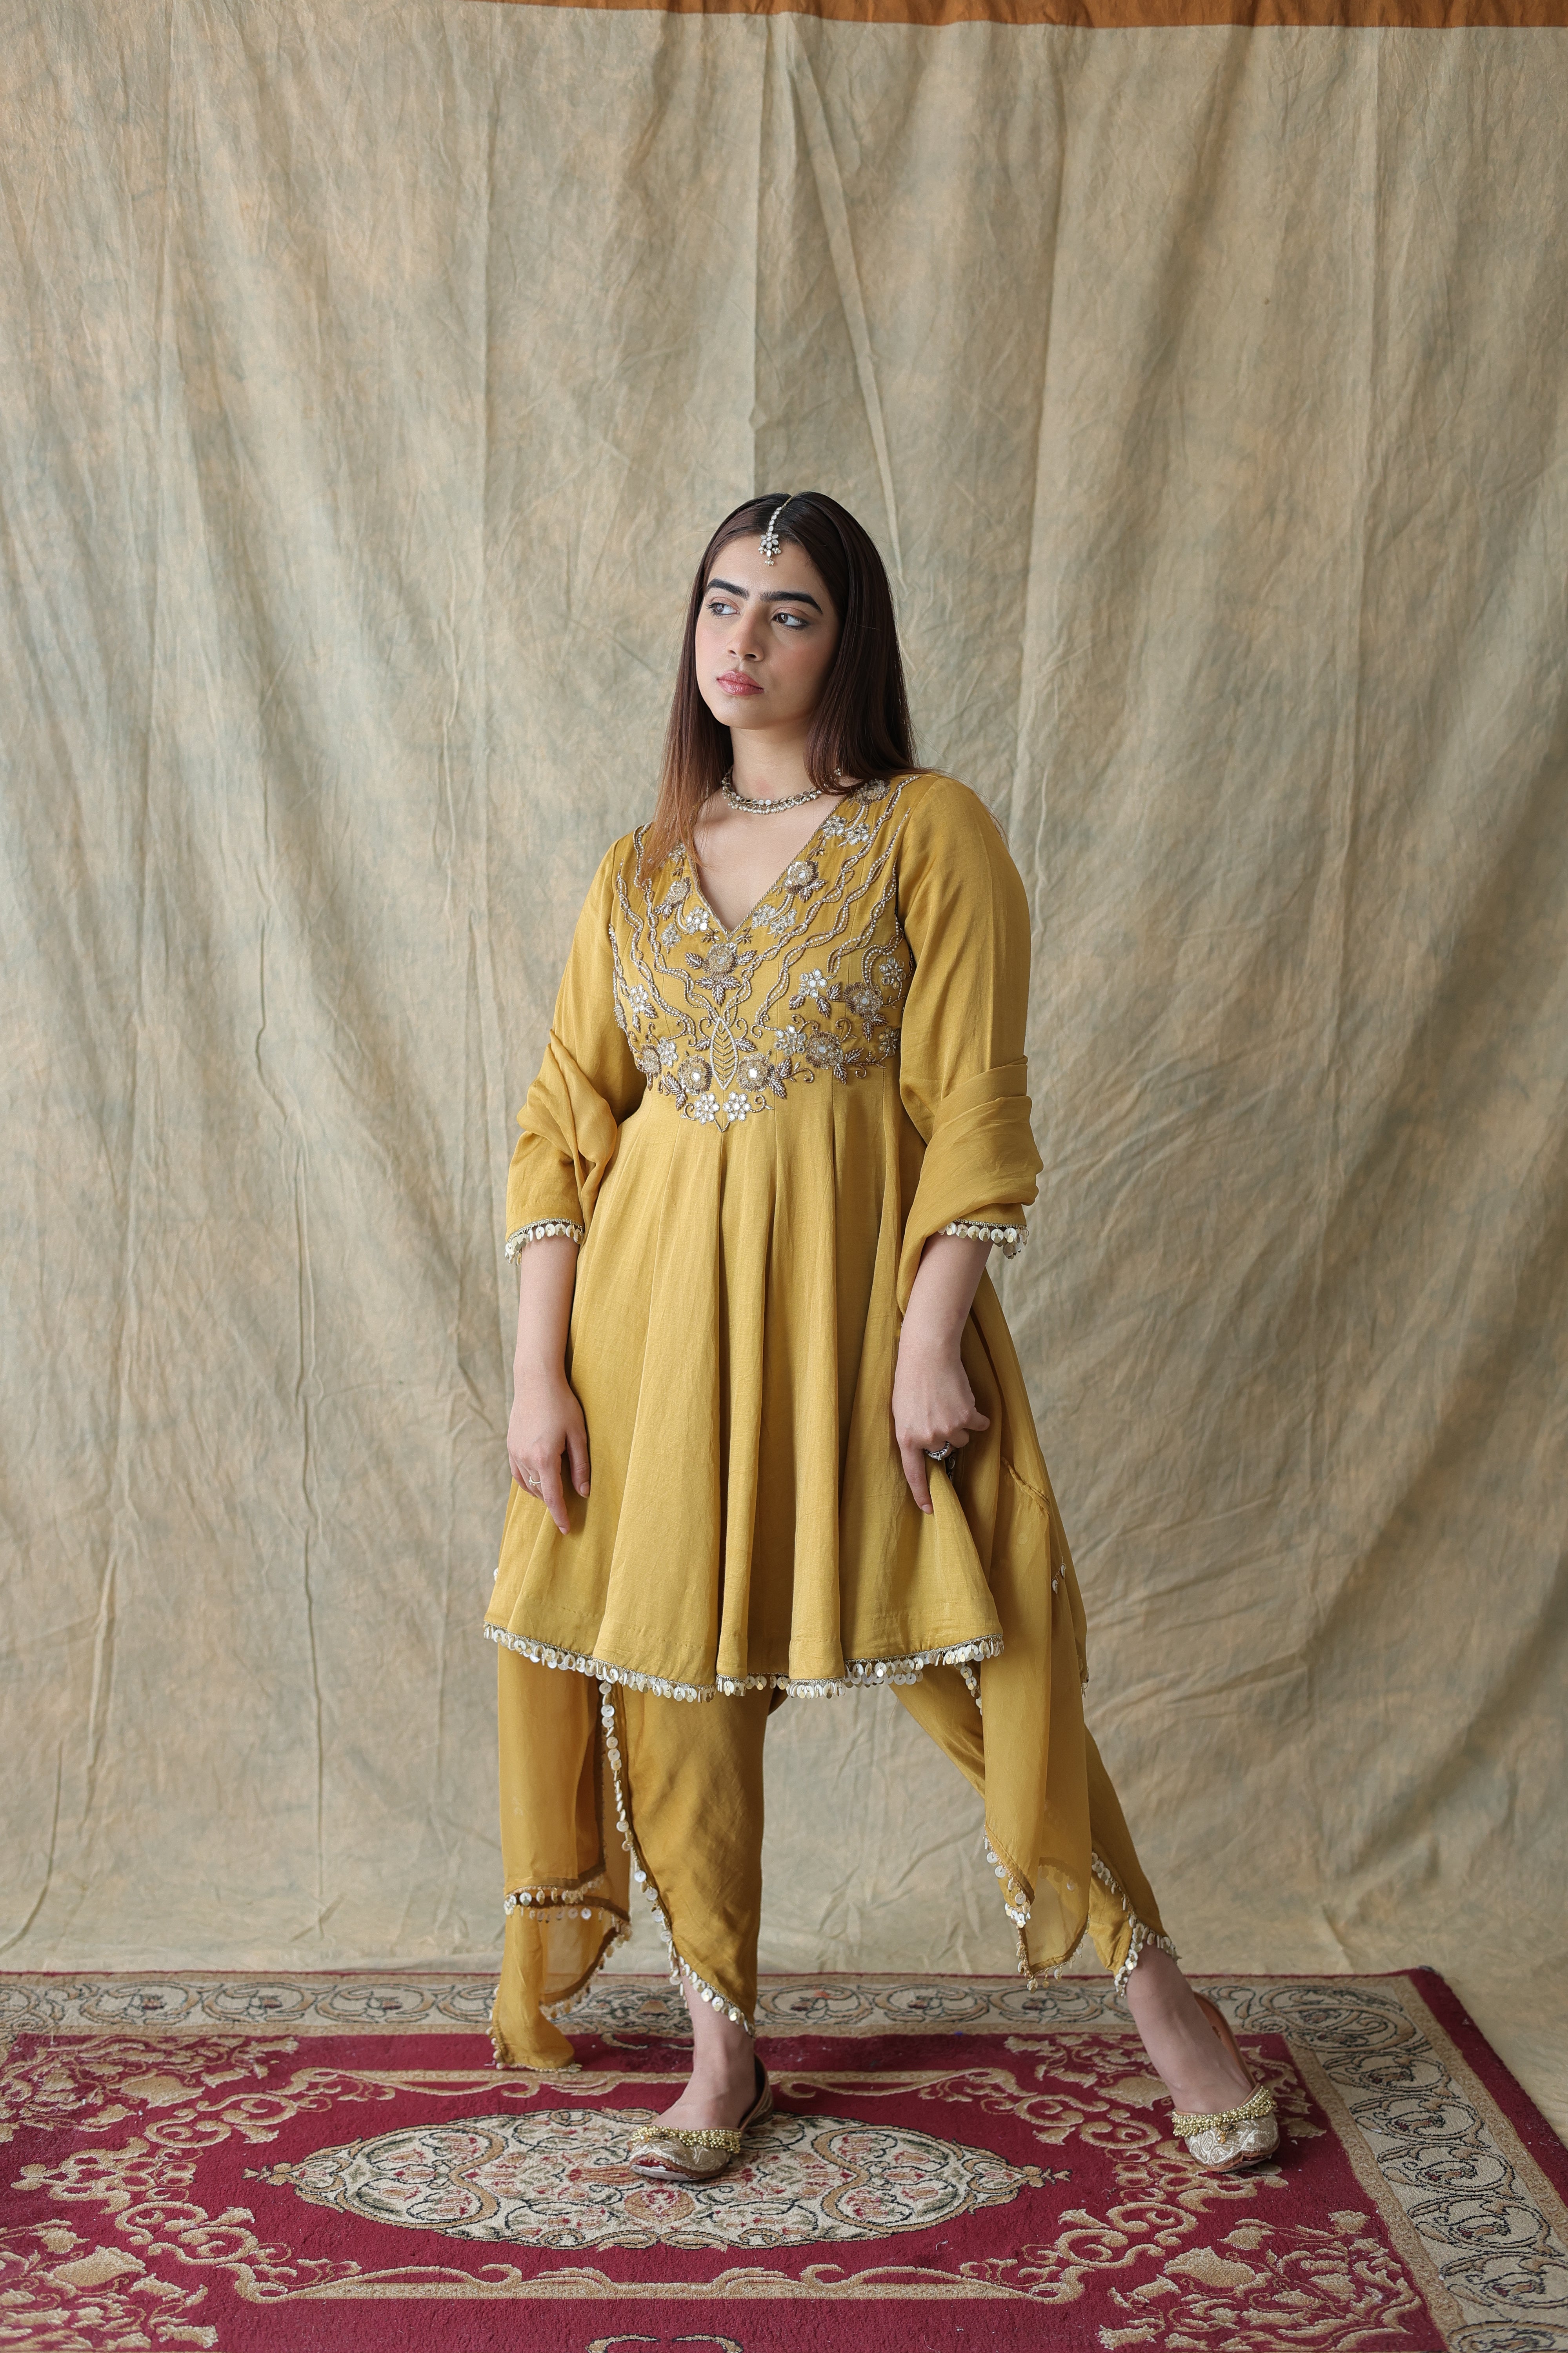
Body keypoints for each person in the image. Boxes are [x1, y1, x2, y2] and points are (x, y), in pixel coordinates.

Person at [486, 491, 1277, 2181]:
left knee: (987, 1654)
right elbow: (562, 1128)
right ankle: (723, 2049)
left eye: (789, 612)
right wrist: (537, 1370)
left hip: (864, 1322)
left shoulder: (929, 831)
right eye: (721, 602)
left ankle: (1167, 2008)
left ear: (850, 643)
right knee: (675, 1687)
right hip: (651, 1342)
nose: (743, 640)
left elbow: (976, 1106)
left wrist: (931, 1343)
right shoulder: (635, 872)